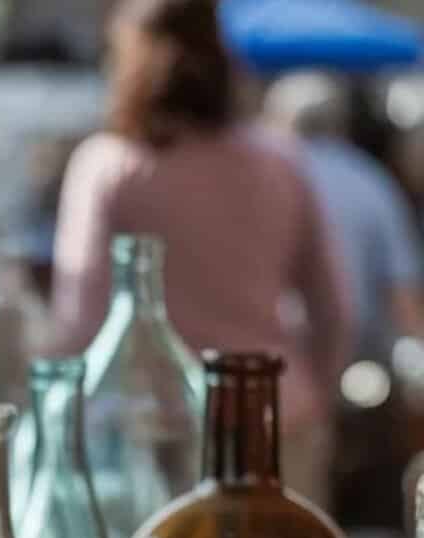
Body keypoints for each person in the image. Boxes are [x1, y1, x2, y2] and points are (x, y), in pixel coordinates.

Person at [50, 0, 353, 507]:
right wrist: (313, 399)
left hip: (155, 437)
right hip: (277, 422)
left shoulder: (109, 166)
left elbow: (78, 322)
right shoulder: (279, 162)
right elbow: (335, 309)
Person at [265, 71, 424, 359]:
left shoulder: (263, 176)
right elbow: (403, 293)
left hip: (276, 356)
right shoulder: (371, 179)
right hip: (359, 363)